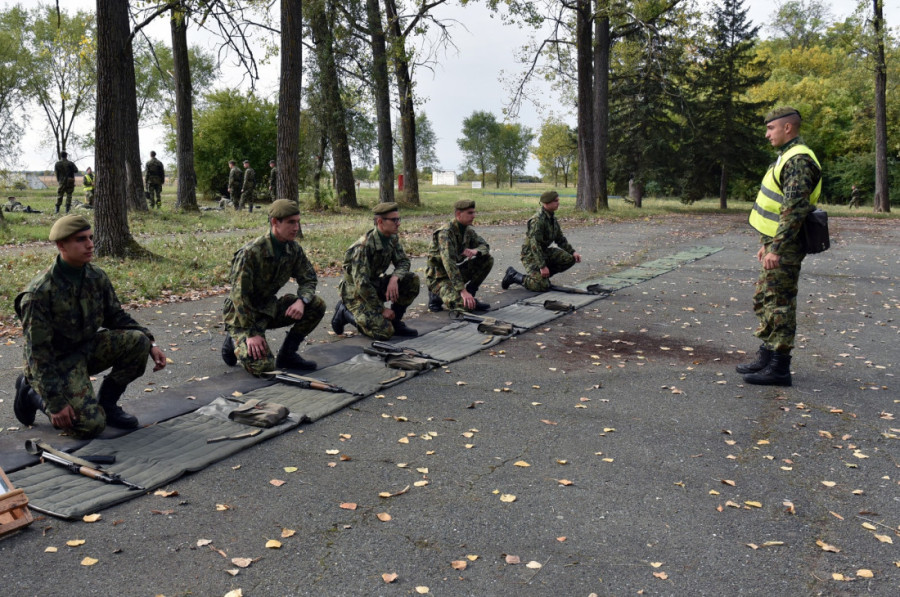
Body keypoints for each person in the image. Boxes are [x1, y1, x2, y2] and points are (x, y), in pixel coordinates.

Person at [13, 215, 167, 437]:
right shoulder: (39, 294)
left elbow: (116, 316)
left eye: (91, 237)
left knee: (138, 342)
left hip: (85, 349)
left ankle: (108, 405)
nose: (90, 244)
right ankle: (30, 394)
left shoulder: (96, 277)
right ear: (61, 245)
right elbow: (38, 354)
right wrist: (54, 402)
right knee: (88, 426)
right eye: (80, 239)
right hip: (56, 364)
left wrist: (152, 342)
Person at [737, 107, 822, 387]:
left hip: (785, 245)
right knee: (766, 299)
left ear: (788, 128)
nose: (766, 134)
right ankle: (767, 355)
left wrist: (778, 248)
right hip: (776, 242)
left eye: (771, 128)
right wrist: (768, 244)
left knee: (780, 303)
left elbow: (793, 208)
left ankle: (779, 368)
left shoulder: (798, 159)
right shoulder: (786, 156)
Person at [221, 199, 326, 375]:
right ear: (274, 222)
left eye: (298, 222)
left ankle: (288, 354)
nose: (296, 227)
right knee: (263, 368)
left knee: (316, 305)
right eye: (291, 222)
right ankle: (234, 339)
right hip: (243, 315)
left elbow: (308, 278)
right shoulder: (251, 253)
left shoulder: (293, 249)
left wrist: (302, 300)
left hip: (268, 309)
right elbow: (239, 296)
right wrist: (250, 332)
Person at [331, 202, 420, 339]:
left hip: (373, 284)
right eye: (394, 220)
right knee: (384, 332)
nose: (398, 223)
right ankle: (344, 313)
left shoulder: (392, 238)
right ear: (380, 221)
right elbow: (362, 284)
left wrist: (394, 278)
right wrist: (381, 309)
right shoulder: (364, 247)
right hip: (355, 291)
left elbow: (403, 261)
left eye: (398, 219)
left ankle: (395, 322)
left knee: (411, 280)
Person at [501, 190, 582, 291]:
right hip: (531, 255)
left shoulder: (552, 218)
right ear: (547, 203)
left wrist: (573, 252)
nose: (558, 203)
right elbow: (534, 245)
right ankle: (514, 276)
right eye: (555, 201)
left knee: (569, 259)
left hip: (543, 252)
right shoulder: (537, 220)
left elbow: (560, 239)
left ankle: (541, 277)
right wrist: (542, 266)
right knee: (542, 286)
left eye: (558, 200)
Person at [425, 198, 494, 313]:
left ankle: (470, 295)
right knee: (465, 307)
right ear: (458, 214)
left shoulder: (468, 231)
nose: (474, 216)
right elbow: (449, 263)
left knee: (487, 259)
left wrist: (476, 251)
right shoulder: (445, 233)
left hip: (453, 274)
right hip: (439, 278)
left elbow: (485, 246)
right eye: (470, 213)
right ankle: (436, 296)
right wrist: (462, 290)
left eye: (474, 212)